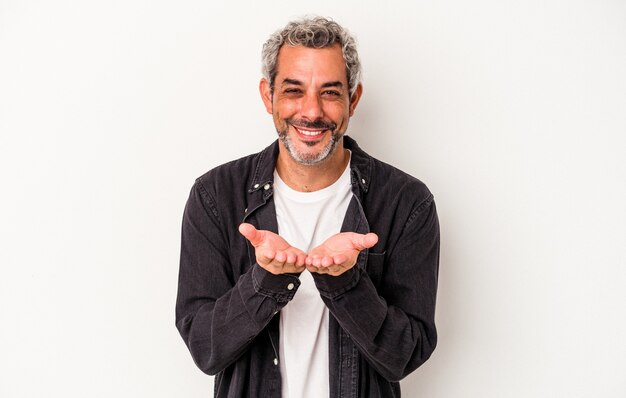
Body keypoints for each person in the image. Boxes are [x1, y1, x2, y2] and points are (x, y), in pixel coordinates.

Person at [175, 16, 440, 398]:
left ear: (354, 98)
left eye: (330, 92)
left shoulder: (407, 202)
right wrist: (264, 281)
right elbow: (205, 348)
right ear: (268, 97)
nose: (312, 112)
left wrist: (346, 283)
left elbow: (405, 354)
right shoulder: (215, 196)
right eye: (294, 91)